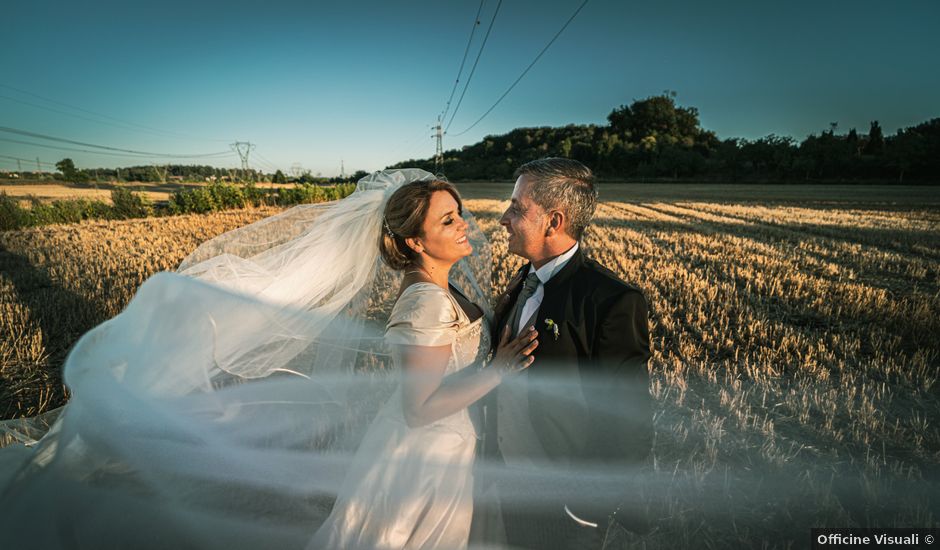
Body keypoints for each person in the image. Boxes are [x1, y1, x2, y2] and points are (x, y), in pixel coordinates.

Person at [310, 177, 538, 549]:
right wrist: (498, 370)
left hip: (449, 446)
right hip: (427, 461)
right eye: (447, 220)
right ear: (415, 241)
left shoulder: (438, 287)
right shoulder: (426, 303)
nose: (463, 224)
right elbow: (419, 409)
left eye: (458, 214)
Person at [472, 158, 653, 550]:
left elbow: (629, 417)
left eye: (517, 208)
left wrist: (585, 505)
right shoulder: (525, 277)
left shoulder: (611, 300)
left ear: (554, 222)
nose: (504, 218)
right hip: (504, 481)